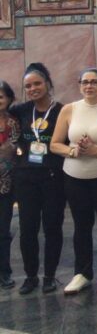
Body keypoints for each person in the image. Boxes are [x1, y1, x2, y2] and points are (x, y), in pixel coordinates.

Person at [49, 68, 97, 296]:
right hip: (74, 178)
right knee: (81, 226)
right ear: (79, 84)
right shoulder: (69, 109)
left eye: (94, 82)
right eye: (85, 82)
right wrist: (73, 151)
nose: (89, 86)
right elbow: (55, 144)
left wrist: (96, 150)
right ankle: (82, 273)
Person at [11, 64, 65, 295]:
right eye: (28, 86)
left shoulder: (63, 111)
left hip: (53, 176)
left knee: (52, 227)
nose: (33, 89)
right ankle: (31, 276)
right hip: (26, 178)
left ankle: (50, 276)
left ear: (48, 84)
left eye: (37, 84)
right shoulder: (21, 111)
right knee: (27, 229)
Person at [0, 81, 19, 290]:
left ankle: (4, 272)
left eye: (1, 96)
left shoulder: (14, 123)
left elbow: (13, 149)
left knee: (3, 230)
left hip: (6, 184)